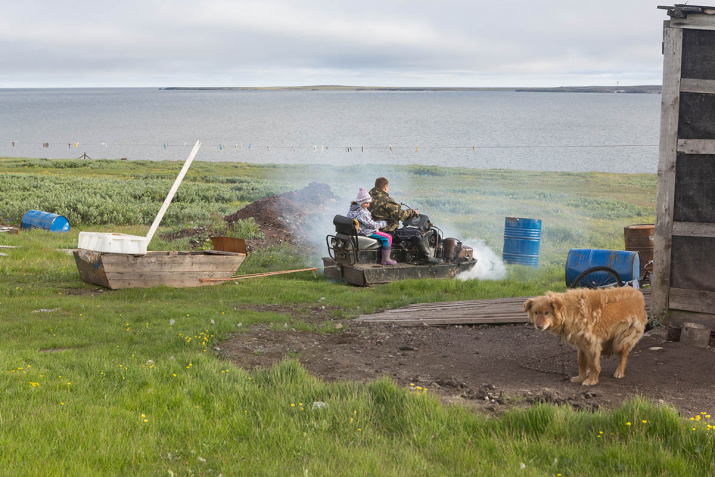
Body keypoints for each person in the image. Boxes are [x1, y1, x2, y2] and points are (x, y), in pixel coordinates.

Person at [368, 177, 441, 264]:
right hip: (388, 231)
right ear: (385, 188)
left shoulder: (368, 198)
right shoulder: (386, 200)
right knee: (417, 233)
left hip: (374, 230)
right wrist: (412, 212)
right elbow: (400, 215)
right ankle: (427, 257)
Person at [347, 187, 397, 266]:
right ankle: (386, 259)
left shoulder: (353, 209)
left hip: (360, 229)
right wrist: (384, 223)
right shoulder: (363, 212)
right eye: (366, 203)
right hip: (366, 231)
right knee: (388, 237)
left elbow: (366, 222)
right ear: (360, 202)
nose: (367, 205)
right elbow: (372, 225)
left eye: (369, 203)